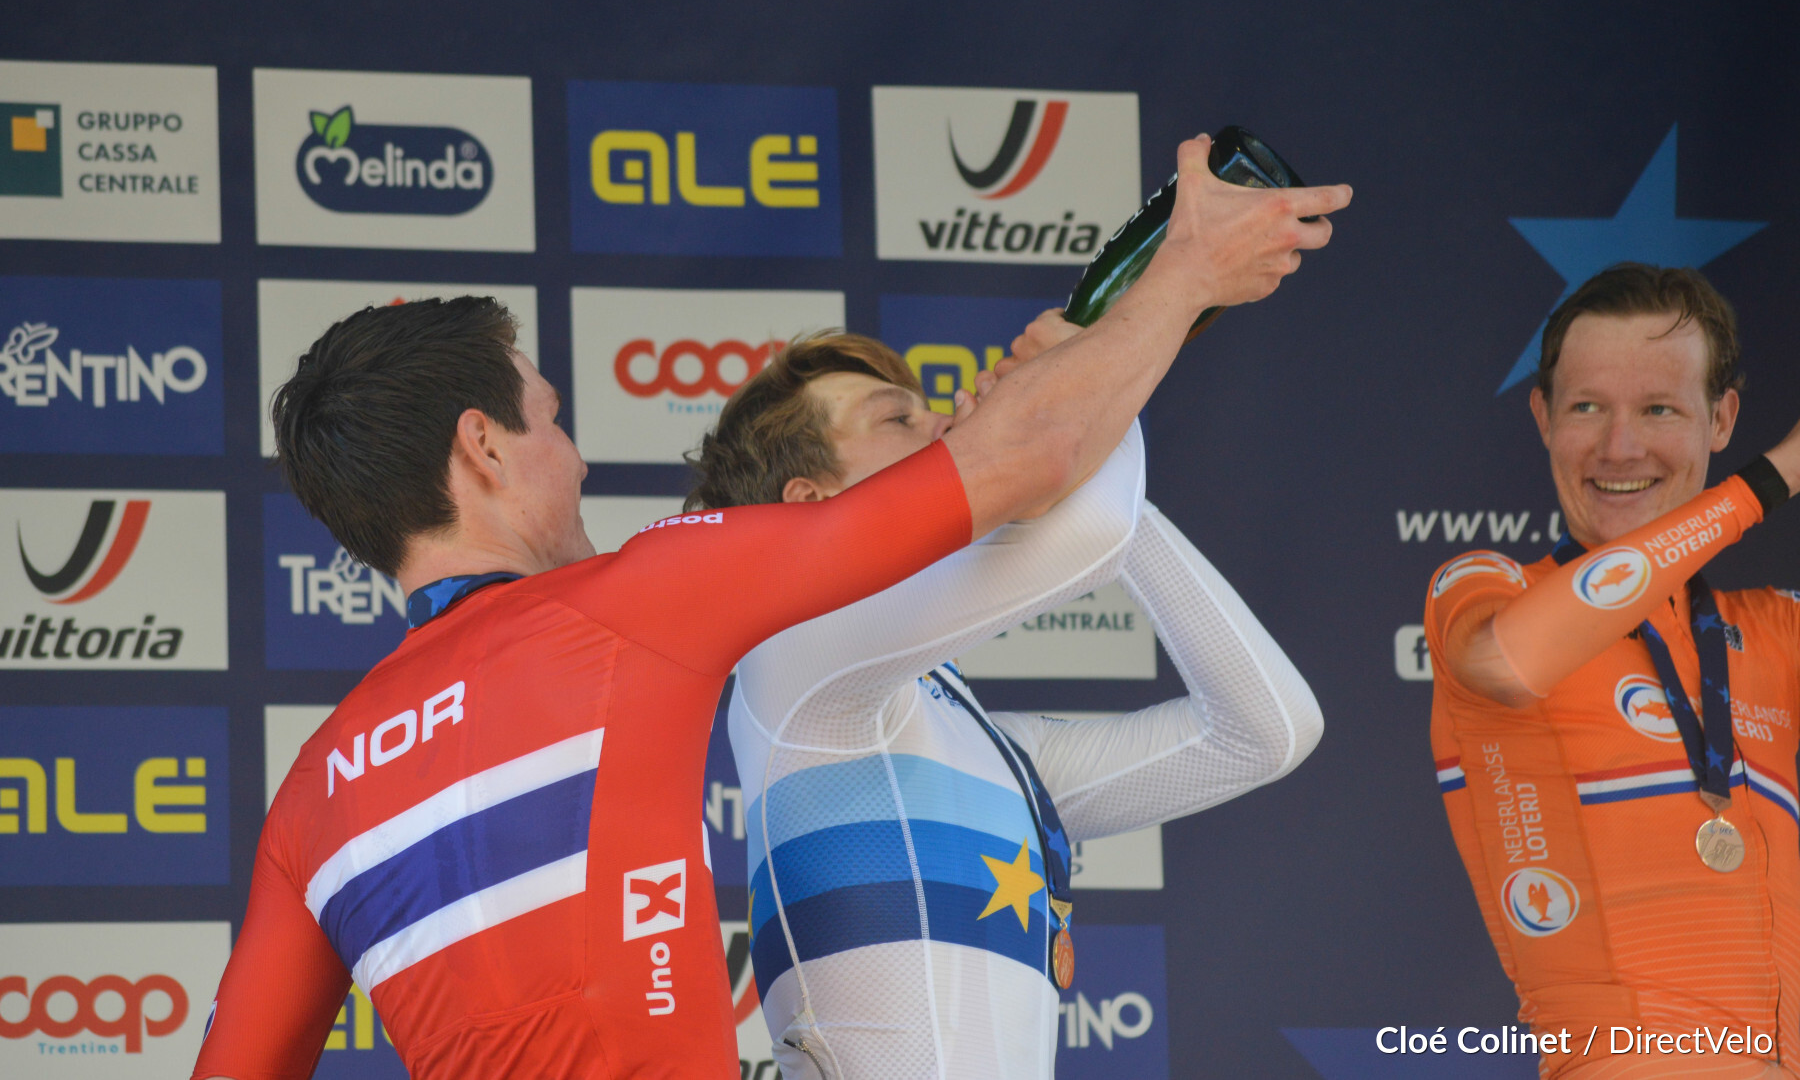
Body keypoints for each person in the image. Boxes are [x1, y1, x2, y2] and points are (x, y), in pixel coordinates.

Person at [190, 135, 1352, 1080]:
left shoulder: (313, 793)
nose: (576, 460)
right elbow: (1042, 471)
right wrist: (1178, 279)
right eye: (551, 421)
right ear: (483, 447)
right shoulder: (626, 602)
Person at [686, 316, 1324, 1079]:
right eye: (898, 420)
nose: (951, 422)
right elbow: (1094, 533)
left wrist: (1097, 454)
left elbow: (1268, 729)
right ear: (810, 498)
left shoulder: (985, 747)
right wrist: (1079, 382)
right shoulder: (789, 652)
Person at [1425, 264, 1800, 1080]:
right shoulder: (1489, 591)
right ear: (1542, 417)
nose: (1619, 447)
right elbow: (1504, 662)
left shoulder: (1775, 629)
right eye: (1587, 407)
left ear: (1721, 418)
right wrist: (1773, 479)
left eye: (1659, 408)